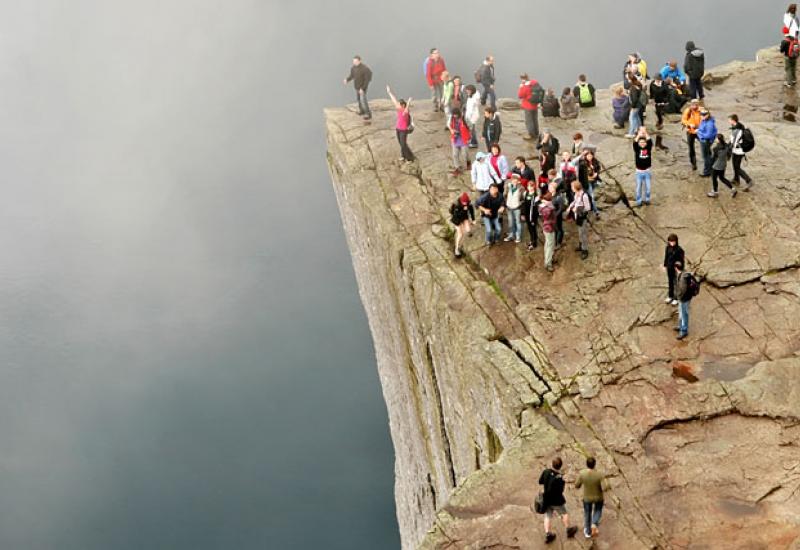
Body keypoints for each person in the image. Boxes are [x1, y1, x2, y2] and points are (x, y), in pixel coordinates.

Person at [539, 457, 578, 544]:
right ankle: (569, 530)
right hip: (557, 500)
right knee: (564, 513)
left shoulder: (546, 472)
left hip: (546, 499)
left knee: (547, 516)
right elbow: (561, 491)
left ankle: (548, 534)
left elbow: (540, 481)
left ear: (552, 464)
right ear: (560, 467)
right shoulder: (559, 478)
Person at [575, 457, 605, 539]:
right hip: (598, 497)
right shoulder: (600, 474)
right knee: (598, 510)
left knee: (587, 513)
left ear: (586, 464)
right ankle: (594, 523)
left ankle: (588, 532)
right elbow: (605, 487)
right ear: (594, 464)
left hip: (587, 498)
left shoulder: (582, 473)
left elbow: (577, 485)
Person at [387, 86, 414, 162]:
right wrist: (389, 92)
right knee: (401, 143)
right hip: (398, 129)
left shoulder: (405, 112)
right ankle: (403, 156)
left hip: (403, 130)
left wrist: (408, 102)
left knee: (403, 144)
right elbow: (394, 100)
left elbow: (407, 109)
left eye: (399, 104)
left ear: (403, 105)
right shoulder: (399, 109)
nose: (397, 105)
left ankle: (409, 158)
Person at [567, 180, 591, 260]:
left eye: (572, 187)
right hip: (577, 217)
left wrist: (576, 210)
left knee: (583, 233)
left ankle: (585, 250)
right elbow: (574, 202)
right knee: (580, 232)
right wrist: (570, 207)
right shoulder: (576, 194)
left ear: (576, 188)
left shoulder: (584, 196)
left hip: (582, 217)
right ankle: (581, 246)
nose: (571, 188)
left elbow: (588, 208)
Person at [343, 55, 372, 120]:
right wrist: (347, 80)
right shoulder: (353, 68)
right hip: (357, 87)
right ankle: (362, 111)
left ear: (360, 61)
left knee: (363, 100)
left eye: (356, 61)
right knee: (358, 100)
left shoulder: (365, 69)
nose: (354, 63)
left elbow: (367, 80)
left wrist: (363, 88)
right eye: (353, 61)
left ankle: (368, 114)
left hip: (362, 88)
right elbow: (352, 76)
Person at [729, 114, 754, 190]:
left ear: (733, 120)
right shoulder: (738, 127)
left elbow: (733, 142)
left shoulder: (737, 130)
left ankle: (749, 180)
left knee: (737, 167)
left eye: (729, 120)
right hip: (737, 150)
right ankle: (736, 180)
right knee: (734, 165)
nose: (729, 121)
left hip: (738, 151)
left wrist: (727, 148)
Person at [707, 134, 736, 198]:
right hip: (723, 165)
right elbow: (728, 155)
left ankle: (715, 192)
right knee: (722, 178)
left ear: (718, 140)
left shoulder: (716, 148)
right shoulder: (726, 146)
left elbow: (713, 158)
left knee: (714, 178)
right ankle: (733, 189)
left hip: (716, 166)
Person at [519, 73, 544, 140]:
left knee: (529, 121)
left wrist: (521, 87)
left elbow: (520, 95)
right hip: (535, 105)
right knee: (535, 119)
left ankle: (531, 135)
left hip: (528, 106)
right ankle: (536, 133)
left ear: (522, 79)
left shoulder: (525, 86)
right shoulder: (534, 82)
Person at [632, 128, 653, 207]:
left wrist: (645, 132)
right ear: (639, 143)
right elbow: (634, 142)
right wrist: (639, 134)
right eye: (641, 142)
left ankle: (647, 200)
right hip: (639, 172)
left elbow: (650, 141)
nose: (642, 143)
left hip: (647, 171)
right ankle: (639, 201)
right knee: (638, 189)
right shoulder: (637, 149)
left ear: (646, 143)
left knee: (648, 188)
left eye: (644, 142)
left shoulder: (648, 148)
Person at [450, 192, 475, 258]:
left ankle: (468, 232)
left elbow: (471, 211)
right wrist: (464, 210)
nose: (465, 204)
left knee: (468, 229)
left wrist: (473, 219)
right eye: (464, 202)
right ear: (461, 201)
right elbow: (456, 215)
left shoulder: (469, 204)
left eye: (466, 202)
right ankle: (456, 249)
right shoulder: (457, 205)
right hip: (457, 220)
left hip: (464, 217)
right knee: (460, 234)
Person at [674, 261, 695, 340]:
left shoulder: (683, 278)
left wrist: (679, 297)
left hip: (684, 299)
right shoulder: (685, 273)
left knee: (684, 314)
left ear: (676, 268)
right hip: (687, 297)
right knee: (681, 313)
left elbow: (682, 289)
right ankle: (680, 326)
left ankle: (684, 331)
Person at [663, 233, 685, 306]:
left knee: (676, 283)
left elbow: (682, 261)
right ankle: (670, 296)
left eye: (673, 241)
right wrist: (665, 265)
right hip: (669, 268)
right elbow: (666, 257)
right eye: (670, 241)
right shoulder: (667, 248)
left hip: (676, 269)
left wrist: (680, 270)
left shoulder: (679, 250)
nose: (672, 243)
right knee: (670, 282)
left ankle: (676, 298)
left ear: (676, 241)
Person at [579, 150, 602, 218]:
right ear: (585, 156)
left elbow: (598, 168)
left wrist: (596, 173)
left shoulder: (595, 161)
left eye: (591, 155)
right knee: (591, 196)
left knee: (590, 194)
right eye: (588, 156)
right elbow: (581, 173)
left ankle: (590, 206)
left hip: (594, 181)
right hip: (587, 182)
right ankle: (596, 212)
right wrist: (588, 177)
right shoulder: (583, 163)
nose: (590, 157)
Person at [449, 108, 471, 176]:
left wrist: (468, 136)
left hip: (463, 138)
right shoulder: (452, 118)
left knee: (464, 154)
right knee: (455, 154)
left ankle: (468, 162)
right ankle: (457, 167)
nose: (455, 116)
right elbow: (449, 125)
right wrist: (451, 130)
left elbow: (470, 126)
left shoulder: (464, 119)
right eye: (454, 115)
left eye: (456, 115)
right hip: (455, 138)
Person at [681, 99, 702, 170]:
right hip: (690, 131)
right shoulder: (688, 111)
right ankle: (693, 163)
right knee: (691, 148)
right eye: (693, 104)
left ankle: (708, 160)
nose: (694, 106)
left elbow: (706, 118)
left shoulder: (701, 111)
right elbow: (683, 120)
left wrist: (701, 128)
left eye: (696, 104)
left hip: (699, 131)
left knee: (704, 145)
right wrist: (689, 124)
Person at [697, 108, 718, 177]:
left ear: (708, 115)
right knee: (708, 154)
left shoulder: (709, 124)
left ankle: (707, 172)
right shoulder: (704, 121)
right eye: (701, 114)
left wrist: (699, 132)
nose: (702, 116)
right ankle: (711, 167)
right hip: (705, 140)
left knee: (705, 156)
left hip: (705, 141)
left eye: (704, 115)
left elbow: (708, 135)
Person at [539, 192, 557, 271]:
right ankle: (548, 263)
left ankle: (548, 259)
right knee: (550, 245)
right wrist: (550, 206)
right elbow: (548, 216)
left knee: (548, 243)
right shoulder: (548, 208)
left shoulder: (542, 207)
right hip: (549, 228)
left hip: (546, 227)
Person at [505, 175, 524, 243]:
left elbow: (523, 199)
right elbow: (505, 195)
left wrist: (519, 204)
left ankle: (518, 236)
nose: (514, 181)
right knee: (510, 223)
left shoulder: (521, 188)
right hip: (509, 208)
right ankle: (511, 235)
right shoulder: (508, 186)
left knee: (518, 222)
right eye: (513, 180)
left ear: (518, 181)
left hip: (517, 208)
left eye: (516, 180)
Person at [522, 180, 540, 250]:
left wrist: (534, 217)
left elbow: (536, 207)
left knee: (533, 229)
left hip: (532, 215)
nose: (529, 187)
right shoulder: (526, 193)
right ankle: (532, 240)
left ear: (534, 187)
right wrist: (522, 214)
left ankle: (534, 243)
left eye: (531, 186)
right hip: (527, 214)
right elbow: (524, 204)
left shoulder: (535, 195)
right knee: (529, 228)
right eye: (528, 186)